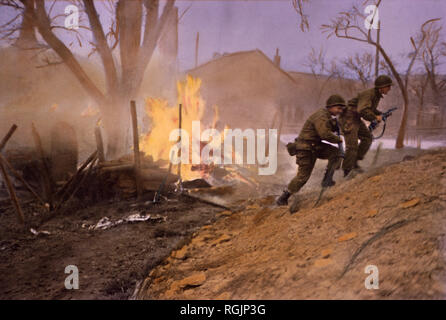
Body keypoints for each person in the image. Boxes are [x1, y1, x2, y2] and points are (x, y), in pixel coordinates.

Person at [276, 95, 345, 206]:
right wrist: (338, 139)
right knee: (302, 177)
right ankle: (283, 198)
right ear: (331, 107)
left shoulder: (326, 116)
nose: (340, 111)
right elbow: (324, 133)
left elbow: (325, 128)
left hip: (314, 146)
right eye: (338, 108)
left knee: (336, 153)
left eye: (341, 109)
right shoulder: (321, 116)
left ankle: (327, 180)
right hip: (306, 149)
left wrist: (335, 127)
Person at [339, 75, 393, 177]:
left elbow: (370, 109)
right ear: (381, 87)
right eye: (388, 86)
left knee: (367, 138)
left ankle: (354, 163)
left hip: (355, 117)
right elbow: (363, 110)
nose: (390, 88)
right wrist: (375, 117)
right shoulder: (370, 94)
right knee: (352, 146)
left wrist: (381, 114)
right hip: (348, 117)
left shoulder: (376, 95)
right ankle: (347, 172)